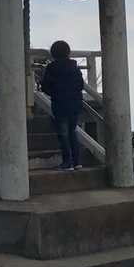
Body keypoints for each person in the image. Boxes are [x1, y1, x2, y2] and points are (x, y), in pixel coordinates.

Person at [39, 40, 85, 170]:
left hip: (60, 104)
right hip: (75, 104)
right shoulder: (74, 67)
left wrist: (55, 92)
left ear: (53, 54)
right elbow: (80, 85)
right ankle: (76, 162)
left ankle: (67, 162)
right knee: (72, 132)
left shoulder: (52, 68)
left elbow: (46, 87)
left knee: (63, 133)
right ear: (68, 52)